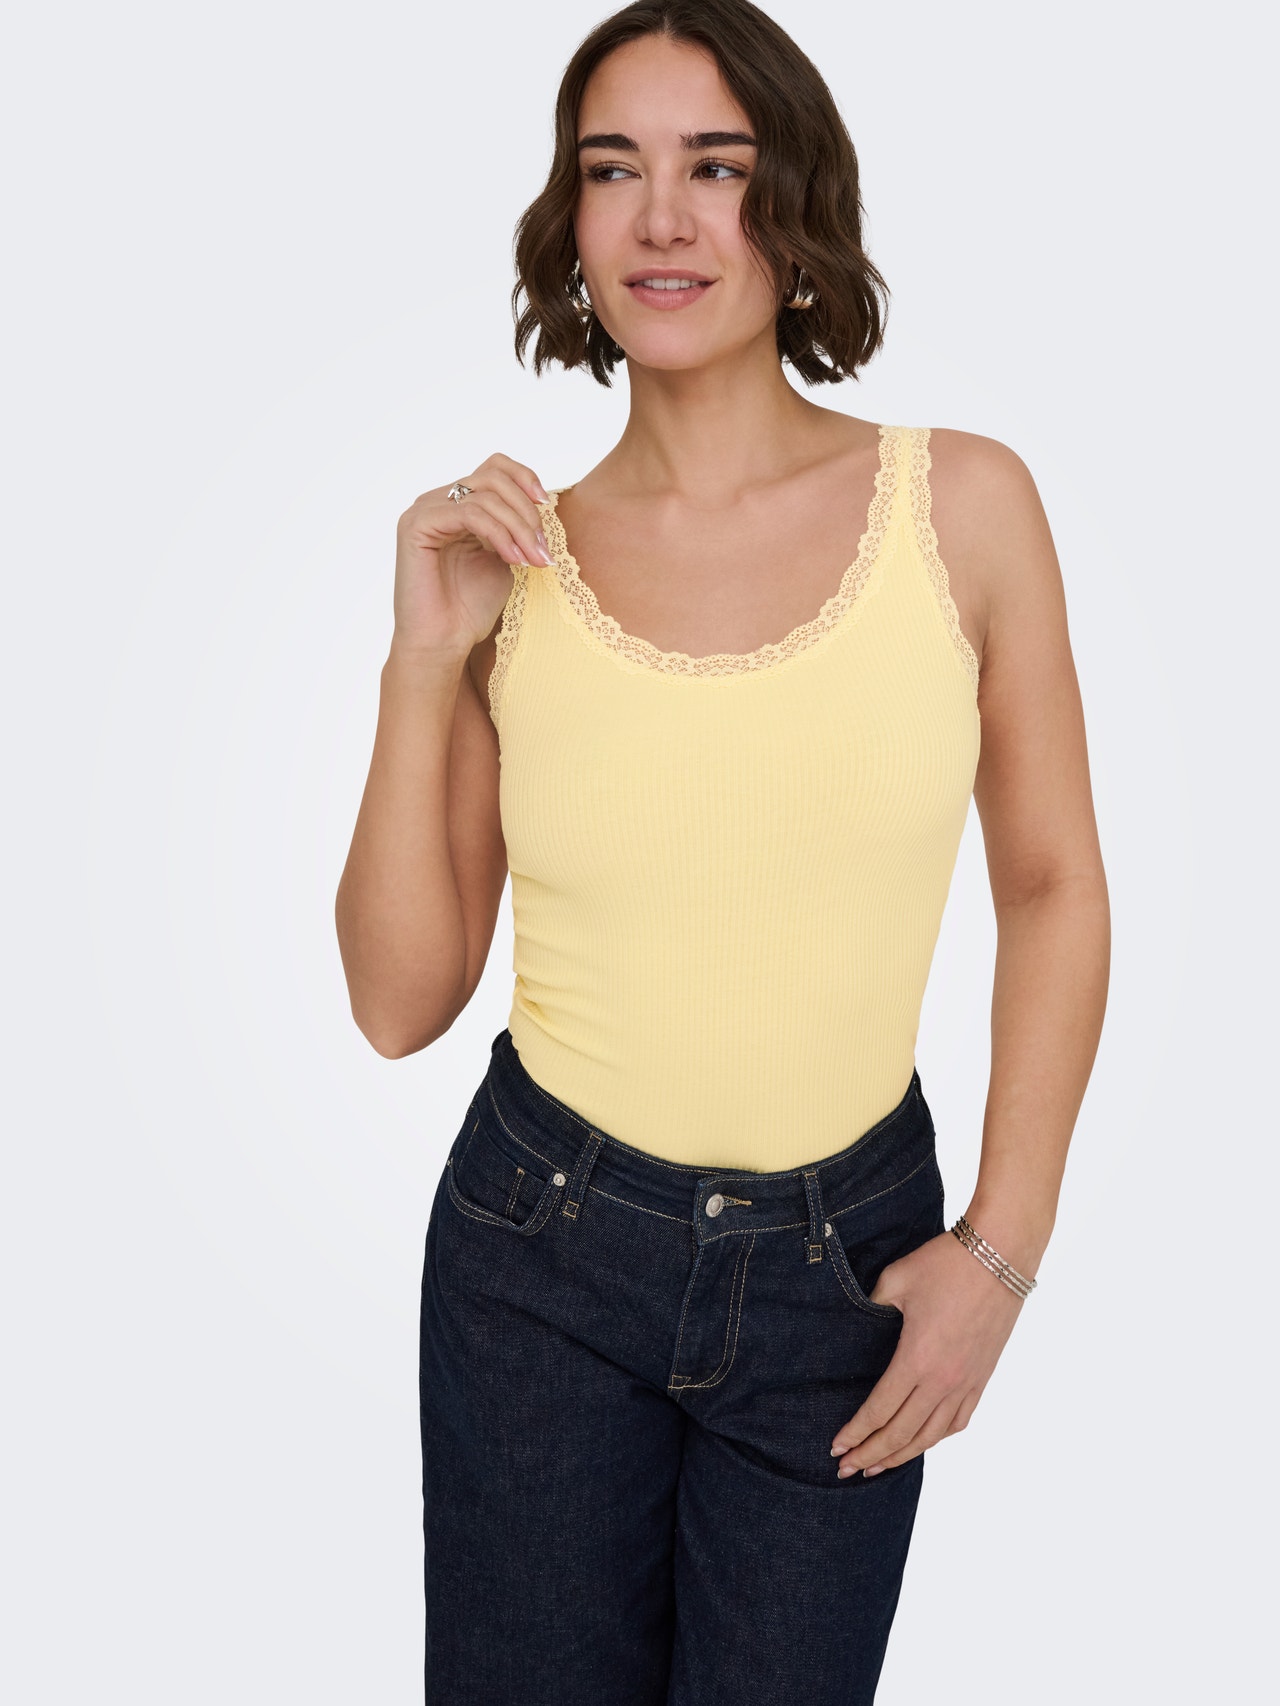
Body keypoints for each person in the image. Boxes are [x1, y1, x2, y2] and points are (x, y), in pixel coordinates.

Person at [334, 1, 1110, 1699]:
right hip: (540, 1257)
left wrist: (1000, 1251)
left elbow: (1052, 883)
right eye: (615, 170)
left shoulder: (964, 507)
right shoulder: (513, 567)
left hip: (849, 1273)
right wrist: (418, 659)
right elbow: (399, 1000)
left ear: (796, 201)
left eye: (717, 166)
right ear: (572, 221)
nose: (664, 219)